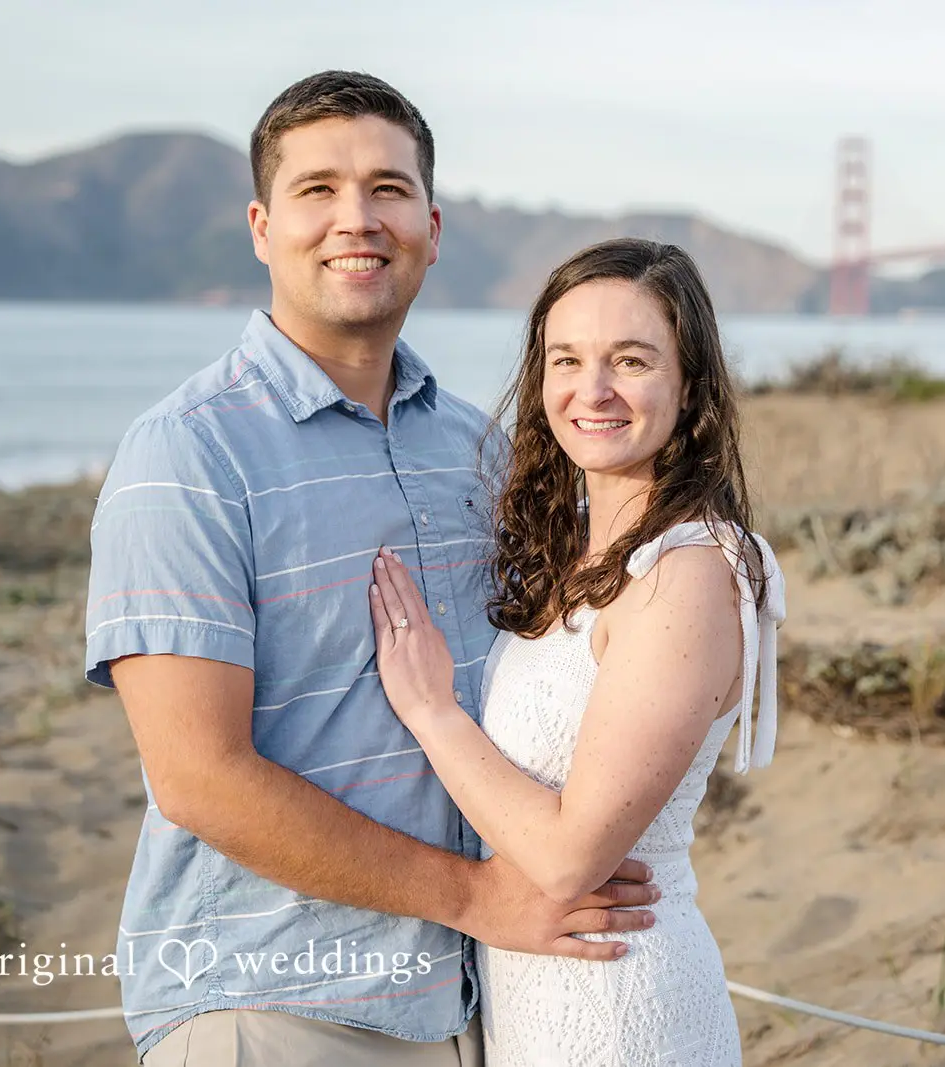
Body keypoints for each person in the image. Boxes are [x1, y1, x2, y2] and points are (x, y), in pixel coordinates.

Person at [84, 71, 658, 1066]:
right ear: (262, 226)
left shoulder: (482, 450)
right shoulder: (185, 454)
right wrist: (477, 894)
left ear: (431, 227)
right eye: (318, 190)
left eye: (388, 189)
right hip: (271, 1005)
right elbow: (198, 777)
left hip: (473, 1000)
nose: (357, 218)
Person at [367, 237, 786, 1066]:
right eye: (567, 360)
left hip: (622, 1003)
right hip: (535, 999)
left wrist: (430, 710)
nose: (591, 391)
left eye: (630, 360)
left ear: (690, 383)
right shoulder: (582, 559)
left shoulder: (689, 569)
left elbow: (568, 858)